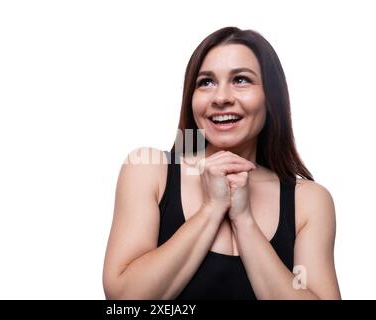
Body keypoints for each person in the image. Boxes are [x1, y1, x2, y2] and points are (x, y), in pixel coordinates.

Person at [102, 26, 341, 300]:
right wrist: (212, 208)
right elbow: (123, 300)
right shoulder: (149, 170)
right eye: (206, 82)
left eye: (241, 79)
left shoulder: (309, 201)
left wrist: (244, 220)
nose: (221, 98)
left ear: (271, 97)